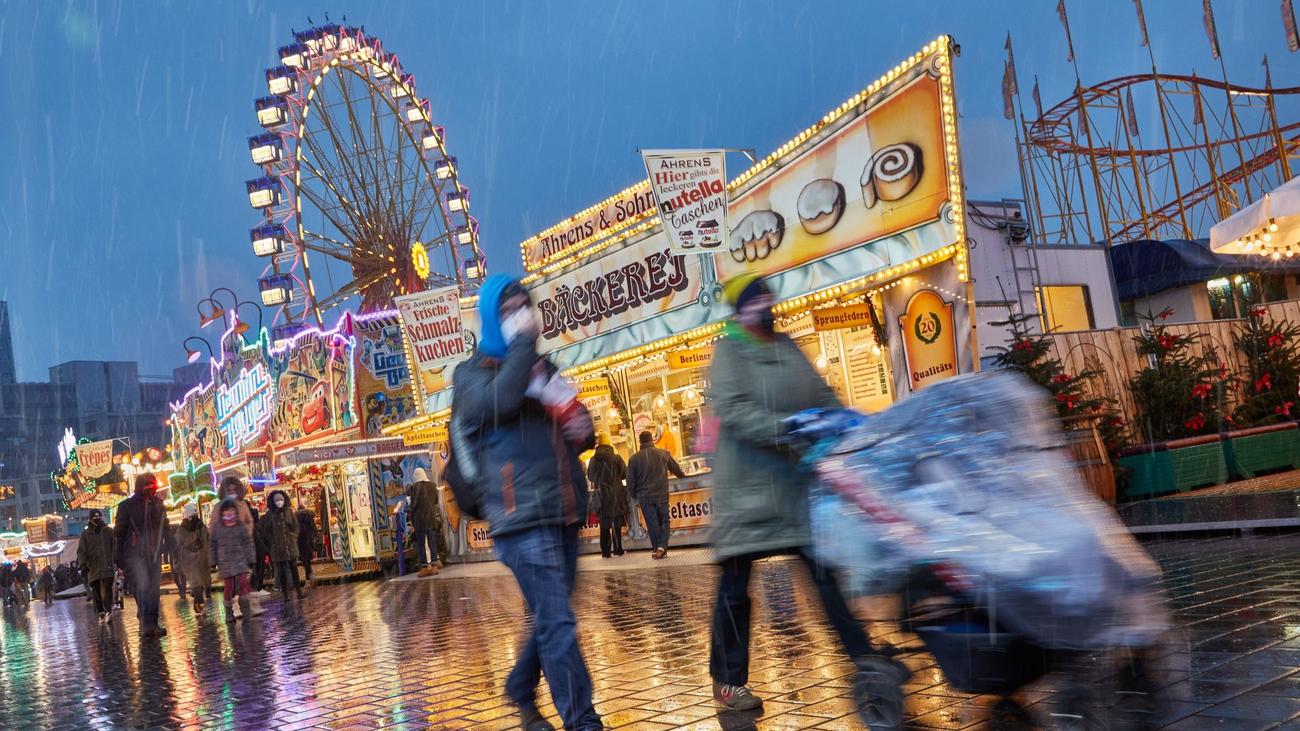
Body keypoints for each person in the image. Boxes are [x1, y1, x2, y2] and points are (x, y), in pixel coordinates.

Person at [706, 274, 908, 728]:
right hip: (744, 495)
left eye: (767, 294)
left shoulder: (786, 346)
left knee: (825, 577)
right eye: (755, 297)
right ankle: (729, 681)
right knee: (735, 593)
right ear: (739, 309)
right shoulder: (729, 351)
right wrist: (789, 427)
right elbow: (734, 411)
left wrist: (845, 422)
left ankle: (865, 660)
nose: (765, 303)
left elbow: (820, 395)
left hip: (794, 492)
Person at [451, 273, 602, 731]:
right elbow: (502, 400)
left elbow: (577, 426)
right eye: (509, 310)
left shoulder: (540, 366)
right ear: (490, 319)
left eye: (525, 306)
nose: (522, 317)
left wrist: (582, 426)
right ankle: (583, 722)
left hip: (562, 509)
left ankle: (520, 687)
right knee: (557, 621)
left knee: (548, 614)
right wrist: (521, 349)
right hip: (519, 516)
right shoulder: (472, 375)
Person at [113, 473, 170, 638]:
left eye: (152, 485)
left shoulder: (158, 504)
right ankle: (146, 622)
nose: (150, 489)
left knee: (153, 588)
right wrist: (117, 555)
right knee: (144, 585)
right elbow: (119, 532)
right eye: (147, 485)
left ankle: (152, 622)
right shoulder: (127, 506)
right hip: (134, 553)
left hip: (153, 551)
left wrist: (169, 543)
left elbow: (164, 526)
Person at [626, 430, 685, 559]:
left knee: (652, 523)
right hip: (662, 494)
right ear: (652, 440)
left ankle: (657, 548)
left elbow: (630, 482)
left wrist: (634, 495)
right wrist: (682, 476)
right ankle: (661, 547)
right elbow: (677, 470)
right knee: (664, 521)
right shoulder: (663, 453)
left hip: (645, 497)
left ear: (640, 442)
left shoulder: (634, 459)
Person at [209, 497, 260, 622]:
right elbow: (212, 545)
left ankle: (246, 608)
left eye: (231, 510)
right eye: (226, 511)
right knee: (229, 587)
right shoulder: (218, 527)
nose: (229, 513)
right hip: (225, 561)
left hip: (239, 559)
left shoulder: (240, 525)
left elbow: (248, 543)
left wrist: (251, 559)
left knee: (243, 583)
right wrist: (213, 561)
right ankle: (228, 612)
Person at [586, 434, 629, 558]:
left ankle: (605, 552)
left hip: (602, 494)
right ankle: (618, 550)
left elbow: (590, 476)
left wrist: (600, 479)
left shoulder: (593, 460)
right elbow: (625, 474)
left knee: (604, 524)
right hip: (616, 493)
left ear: (598, 444)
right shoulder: (616, 458)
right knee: (616, 522)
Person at [260, 489, 302, 600]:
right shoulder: (270, 515)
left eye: (281, 500)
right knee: (282, 571)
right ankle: (285, 594)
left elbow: (295, 526)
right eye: (277, 500)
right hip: (278, 547)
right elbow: (266, 531)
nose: (279, 502)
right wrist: (273, 541)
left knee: (294, 568)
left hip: (290, 545)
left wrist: (293, 536)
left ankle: (299, 591)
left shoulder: (289, 512)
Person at [78, 509, 116, 623]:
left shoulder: (109, 531)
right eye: (95, 519)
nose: (97, 521)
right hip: (93, 567)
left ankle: (108, 610)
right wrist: (83, 564)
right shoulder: (85, 535)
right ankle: (101, 612)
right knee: (96, 590)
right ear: (91, 520)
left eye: (99, 518)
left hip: (107, 565)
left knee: (108, 588)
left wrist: (116, 558)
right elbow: (81, 551)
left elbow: (115, 545)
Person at [176, 503, 211, 610]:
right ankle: (199, 603)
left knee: (195, 581)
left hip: (188, 559)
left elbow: (177, 545)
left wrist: (177, 561)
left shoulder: (181, 529)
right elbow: (207, 540)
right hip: (201, 556)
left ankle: (199, 603)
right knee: (200, 581)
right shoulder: (202, 526)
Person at [407, 467, 442, 577]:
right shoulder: (432, 486)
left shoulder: (414, 488)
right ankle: (435, 566)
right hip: (431, 518)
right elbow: (436, 500)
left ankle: (424, 567)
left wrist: (412, 519)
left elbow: (413, 505)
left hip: (419, 520)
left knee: (421, 544)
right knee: (432, 542)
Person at [295, 498, 317, 587]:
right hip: (309, 541)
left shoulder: (295, 517)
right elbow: (314, 530)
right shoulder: (309, 516)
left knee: (304, 560)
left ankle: (310, 577)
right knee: (307, 559)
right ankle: (310, 576)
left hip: (300, 542)